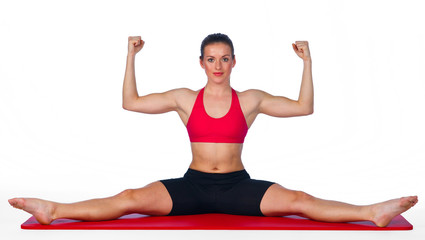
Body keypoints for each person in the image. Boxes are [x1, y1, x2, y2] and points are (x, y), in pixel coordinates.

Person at [9, 33, 417, 227]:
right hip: (193, 186)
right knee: (130, 197)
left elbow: (303, 108)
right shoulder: (185, 98)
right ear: (201, 63)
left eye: (224, 59)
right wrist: (129, 56)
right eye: (211, 59)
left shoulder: (251, 99)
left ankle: (372, 213)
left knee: (299, 199)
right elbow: (130, 103)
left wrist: (307, 63)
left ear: (234, 62)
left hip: (238, 187)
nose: (218, 65)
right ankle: (54, 210)